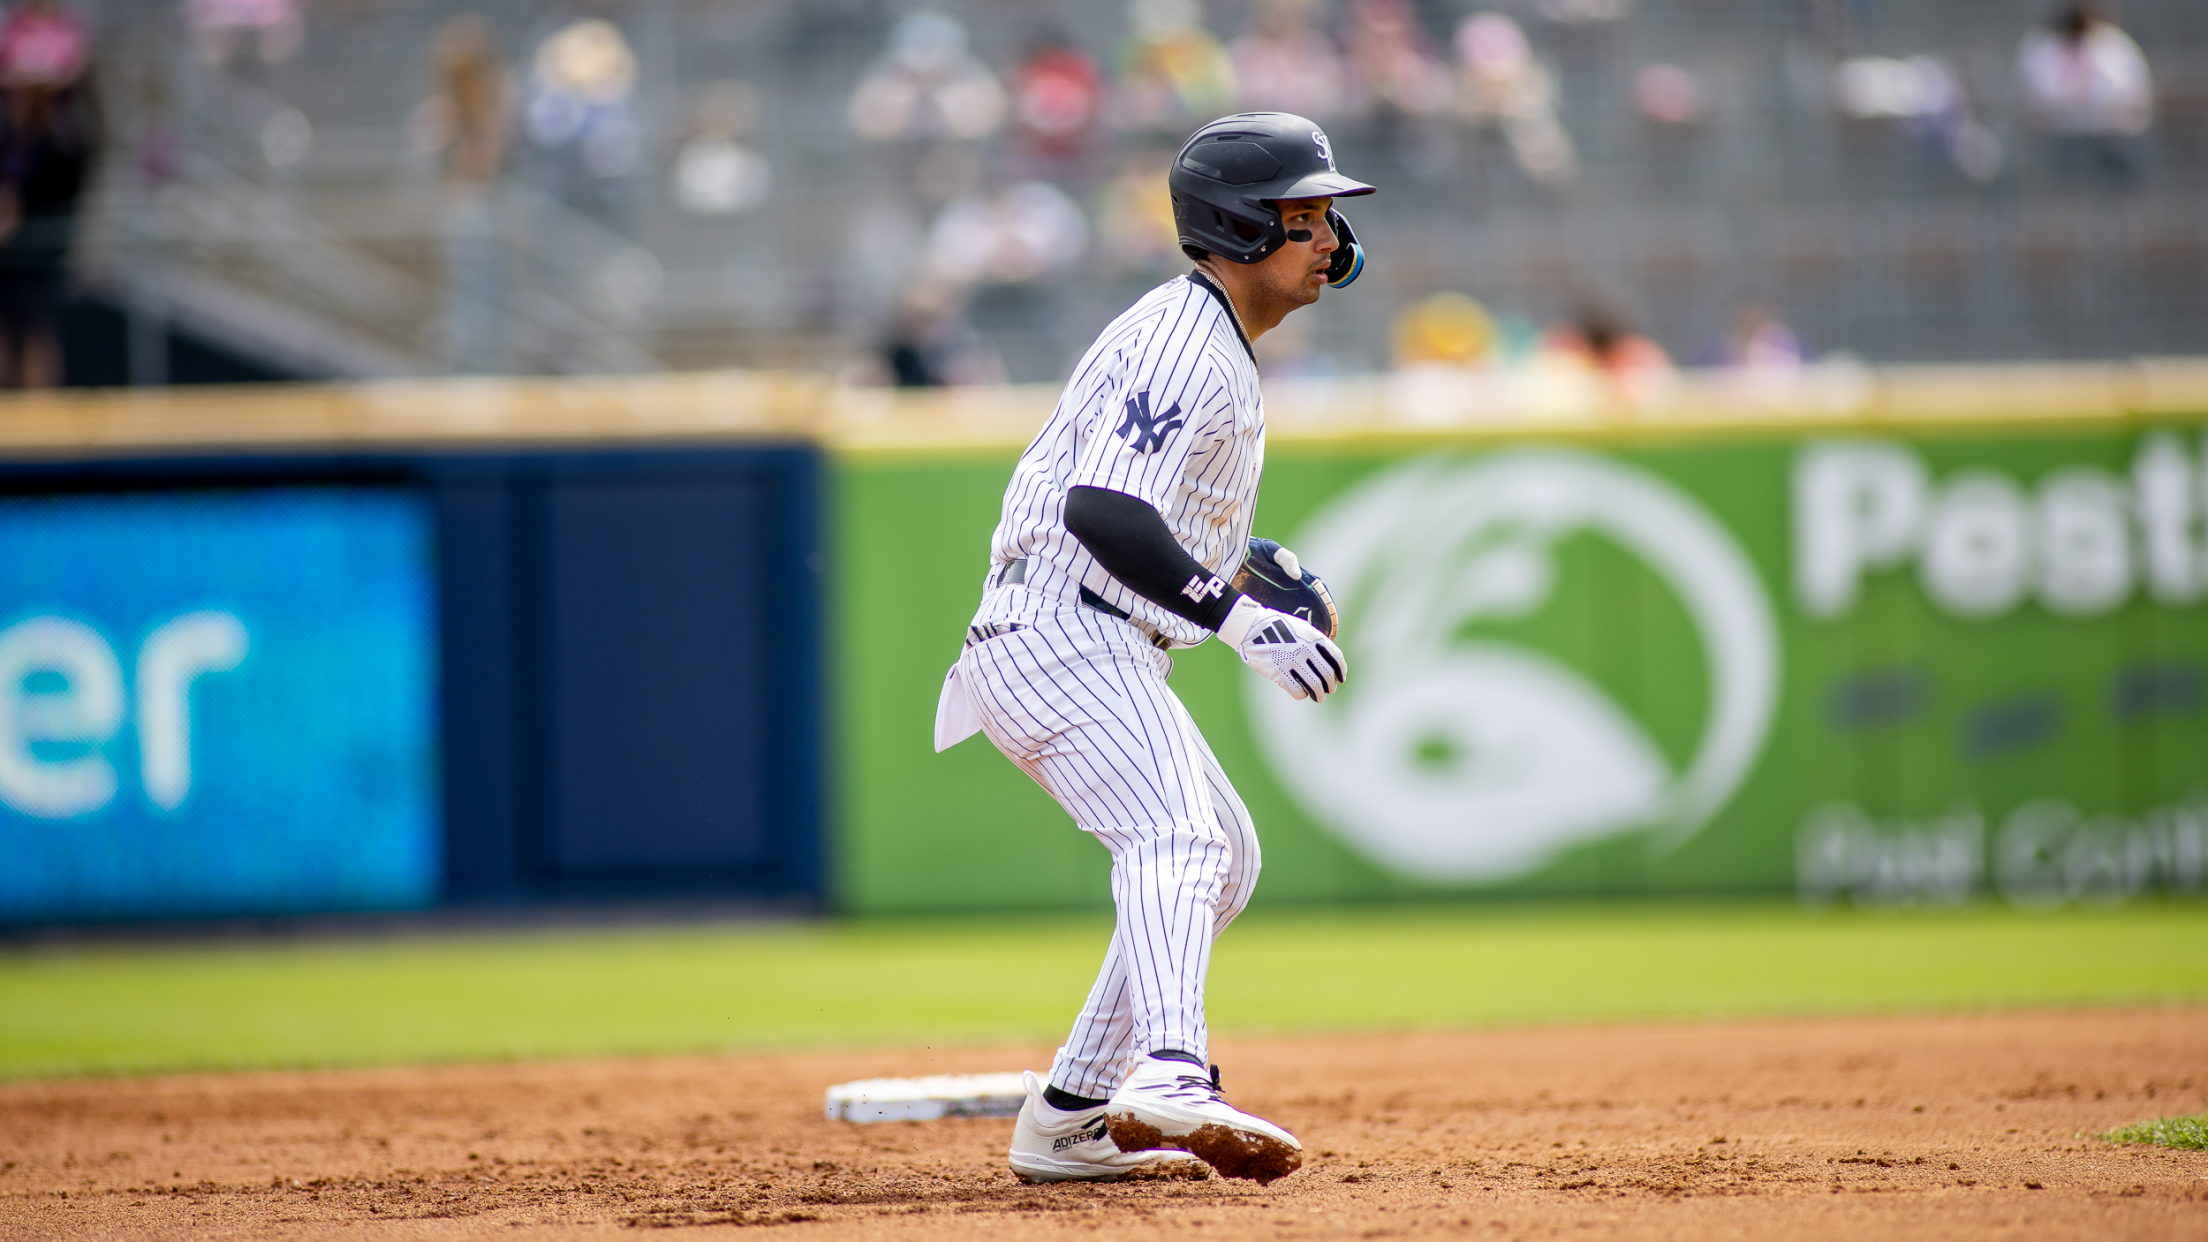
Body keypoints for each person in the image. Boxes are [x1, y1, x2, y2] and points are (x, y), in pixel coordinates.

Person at [932, 112, 1371, 1184]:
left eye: (1328, 216)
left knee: (1225, 856)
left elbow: (1145, 514)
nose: (1328, 237)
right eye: (1304, 215)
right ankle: (1172, 1071)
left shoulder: (1208, 337)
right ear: (1239, 225)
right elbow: (1101, 510)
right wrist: (1237, 617)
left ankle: (1069, 1114)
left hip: (1083, 634)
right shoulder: (1186, 344)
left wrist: (1236, 567)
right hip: (1061, 631)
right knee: (1177, 838)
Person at [0, 0, 95, 390]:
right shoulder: (11, 140)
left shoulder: (60, 144)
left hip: (38, 250)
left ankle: (39, 411)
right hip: (10, 257)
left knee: (37, 330)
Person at [2017, 1, 2153, 185]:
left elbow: (2136, 99)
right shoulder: (2041, 47)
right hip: (2059, 138)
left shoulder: (2116, 45)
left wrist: (2112, 115)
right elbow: (2034, 103)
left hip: (2110, 137)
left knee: (2128, 160)